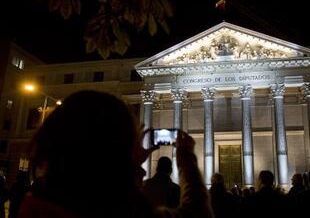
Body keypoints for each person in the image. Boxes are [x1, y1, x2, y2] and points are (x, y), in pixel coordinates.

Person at [17, 90, 213, 218]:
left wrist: (132, 166)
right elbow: (197, 213)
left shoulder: (33, 204)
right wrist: (186, 158)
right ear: (121, 149)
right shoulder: (120, 211)